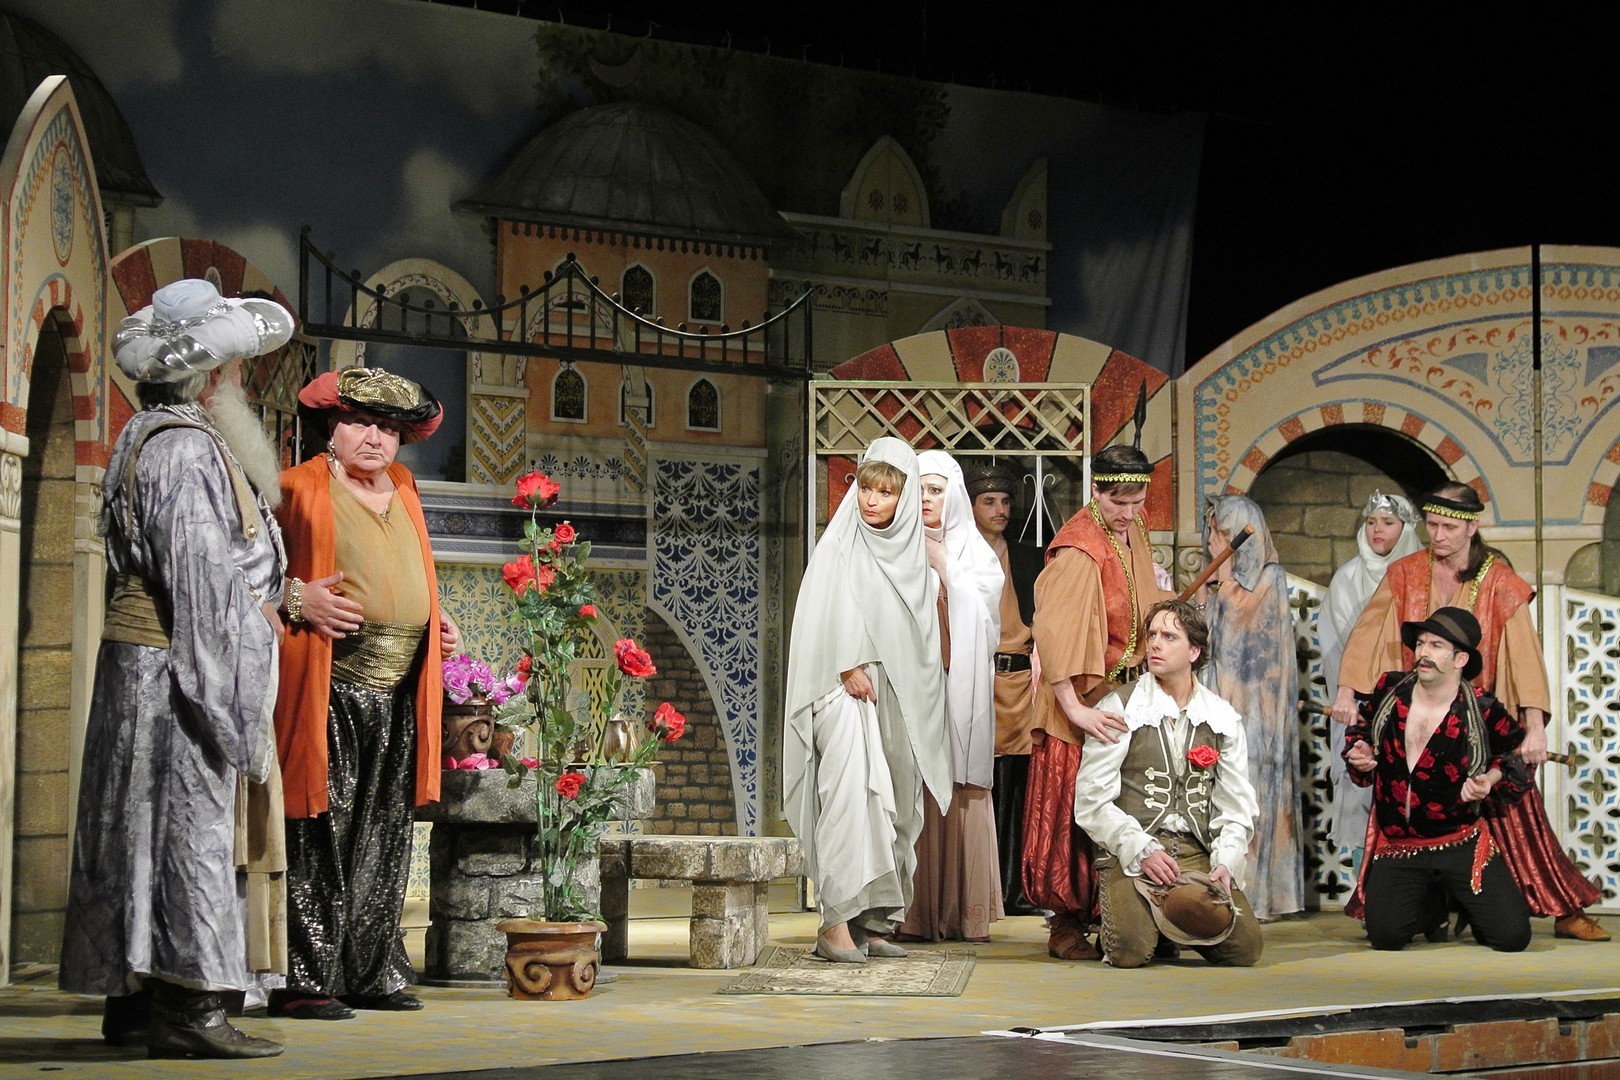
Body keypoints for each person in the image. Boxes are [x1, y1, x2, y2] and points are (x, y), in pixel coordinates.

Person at [60, 279, 293, 1058]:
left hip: (148, 669)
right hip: (172, 673)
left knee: (138, 831)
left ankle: (134, 1002)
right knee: (184, 832)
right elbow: (201, 584)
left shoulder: (148, 434)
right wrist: (241, 677)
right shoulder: (186, 449)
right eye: (237, 368)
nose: (241, 380)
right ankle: (189, 1007)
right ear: (213, 375)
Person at [1332, 482, 1607, 941]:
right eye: (1432, 525)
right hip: (1421, 716)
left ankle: (1562, 906)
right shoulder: (1405, 571)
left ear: (1472, 527)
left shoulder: (1497, 578)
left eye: (1449, 527)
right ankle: (1424, 909)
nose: (1438, 536)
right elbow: (1368, 632)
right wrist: (1346, 692)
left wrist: (1534, 728)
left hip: (1476, 721)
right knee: (1407, 806)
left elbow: (1524, 655)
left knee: (1516, 814)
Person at [272, 367, 461, 1018]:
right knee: (320, 828)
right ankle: (304, 979)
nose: (374, 437)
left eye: (387, 426)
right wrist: (296, 596)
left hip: (397, 691)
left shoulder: (404, 486)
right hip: (330, 686)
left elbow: (407, 572)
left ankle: (371, 971)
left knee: (385, 834)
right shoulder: (297, 487)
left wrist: (434, 619)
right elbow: (246, 570)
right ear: (332, 427)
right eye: (359, 422)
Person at [783, 437, 951, 963]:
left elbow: (922, 640)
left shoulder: (915, 560)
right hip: (846, 692)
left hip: (897, 696)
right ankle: (835, 922)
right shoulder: (839, 545)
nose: (872, 500)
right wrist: (845, 664)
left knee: (895, 803)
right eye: (865, 488)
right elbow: (816, 618)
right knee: (852, 799)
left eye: (886, 492)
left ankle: (874, 921)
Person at [1024, 445, 1172, 959]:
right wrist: (1075, 709)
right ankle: (1065, 923)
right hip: (1081, 699)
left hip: (1124, 695)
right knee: (1071, 809)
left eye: (1136, 502)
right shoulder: (1079, 548)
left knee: (1122, 803)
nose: (1128, 513)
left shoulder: (1135, 528)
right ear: (1095, 491)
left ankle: (1121, 914)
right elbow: (1054, 634)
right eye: (1117, 503)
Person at [1074, 600, 1264, 968]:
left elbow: (1236, 805)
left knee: (1245, 950)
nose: (1155, 644)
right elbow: (1092, 801)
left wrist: (1226, 863)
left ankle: (1168, 921)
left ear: (1194, 651)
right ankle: (1136, 920)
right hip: (1135, 847)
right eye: (1152, 635)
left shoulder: (1220, 717)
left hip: (1194, 851)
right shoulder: (1120, 707)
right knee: (1129, 951)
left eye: (1169, 636)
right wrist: (1139, 848)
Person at [1343, 608, 1532, 952]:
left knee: (1512, 937)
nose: (1423, 653)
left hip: (1458, 842)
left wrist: (1489, 779)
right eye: (1421, 643)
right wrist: (1360, 750)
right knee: (1385, 937)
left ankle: (1460, 902)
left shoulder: (1482, 709)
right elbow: (1361, 729)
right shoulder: (1390, 691)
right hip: (1400, 845)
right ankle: (1430, 906)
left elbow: (1514, 756)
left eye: (1436, 645)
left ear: (1460, 659)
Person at [898, 450, 1005, 941]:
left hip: (959, 686)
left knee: (961, 786)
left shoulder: (976, 555)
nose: (926, 499)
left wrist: (945, 568)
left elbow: (986, 623)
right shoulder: (896, 546)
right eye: (919, 489)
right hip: (913, 685)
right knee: (914, 783)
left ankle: (966, 912)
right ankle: (915, 913)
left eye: (936, 490)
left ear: (954, 496)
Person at [1202, 494, 1304, 920]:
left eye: (1220, 533)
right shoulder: (1214, 581)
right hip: (1217, 703)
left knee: (1250, 793)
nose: (1211, 541)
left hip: (1257, 714)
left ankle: (1256, 895)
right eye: (1211, 531)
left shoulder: (1269, 579)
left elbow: (1237, 637)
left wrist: (1224, 579)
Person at [1319, 490, 1423, 875]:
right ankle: (1367, 885)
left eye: (1388, 523)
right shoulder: (1347, 578)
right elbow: (1340, 643)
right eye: (1372, 521)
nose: (1377, 530)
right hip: (1365, 705)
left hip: (1416, 705)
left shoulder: (1421, 577)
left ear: (1405, 528)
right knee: (1364, 791)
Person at [963, 459, 1045, 915]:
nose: (1000, 510)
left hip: (1019, 685)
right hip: (974, 682)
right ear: (971, 506)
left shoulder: (1028, 556)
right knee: (977, 789)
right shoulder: (958, 555)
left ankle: (1015, 889)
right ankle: (978, 888)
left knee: (1018, 790)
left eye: (1005, 501)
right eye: (989, 501)